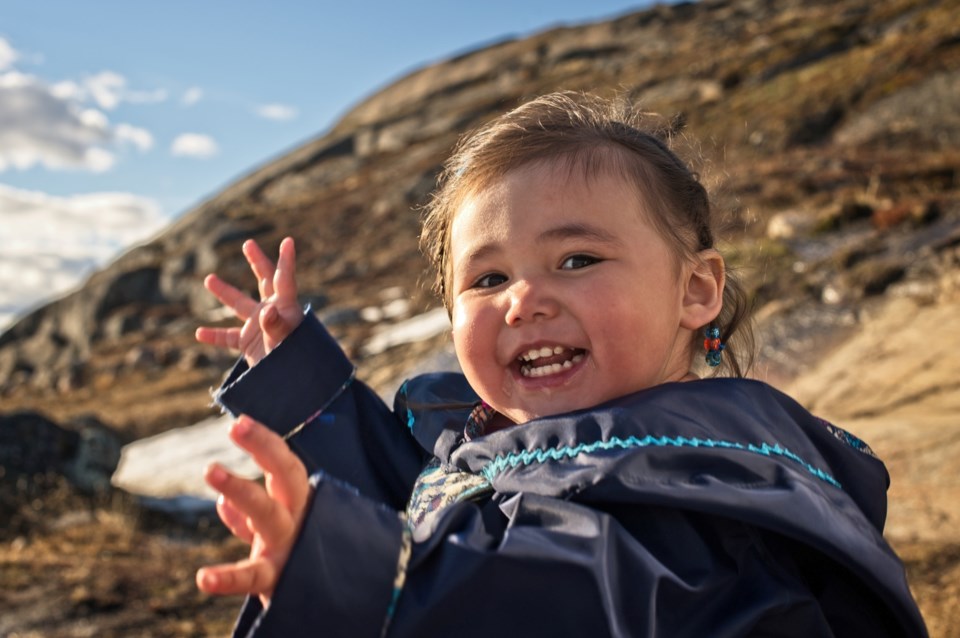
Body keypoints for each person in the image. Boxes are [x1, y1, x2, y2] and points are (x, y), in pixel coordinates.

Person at [193, 92, 928, 637]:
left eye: (576, 259)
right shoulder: (497, 441)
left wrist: (372, 584)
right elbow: (420, 499)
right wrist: (304, 387)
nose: (523, 302)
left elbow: (580, 597)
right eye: (486, 280)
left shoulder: (702, 492)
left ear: (695, 289)